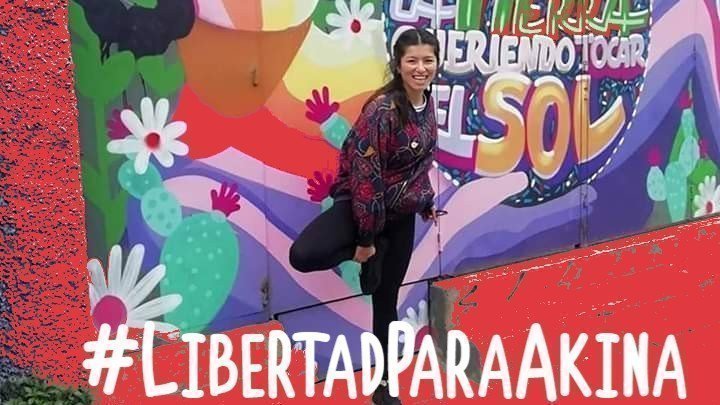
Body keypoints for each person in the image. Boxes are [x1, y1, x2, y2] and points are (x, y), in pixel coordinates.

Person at [289, 28, 441, 405]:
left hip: (399, 219)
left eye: (428, 60)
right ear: (398, 64)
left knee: (386, 303)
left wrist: (424, 202)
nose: (420, 68)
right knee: (303, 254)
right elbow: (366, 177)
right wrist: (365, 241)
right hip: (362, 207)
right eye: (412, 60)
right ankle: (370, 254)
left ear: (437, 63)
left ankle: (385, 387)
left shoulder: (426, 103)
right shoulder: (382, 111)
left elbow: (418, 164)